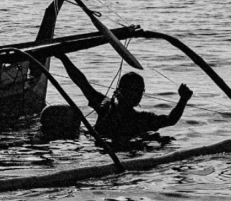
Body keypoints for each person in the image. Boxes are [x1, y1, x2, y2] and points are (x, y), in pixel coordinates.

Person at [55, 54, 194, 141]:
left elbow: (170, 121)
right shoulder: (105, 105)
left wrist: (183, 100)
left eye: (140, 91)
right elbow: (82, 83)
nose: (137, 94)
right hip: (99, 150)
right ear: (120, 91)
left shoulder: (142, 119)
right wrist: (63, 58)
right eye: (133, 90)